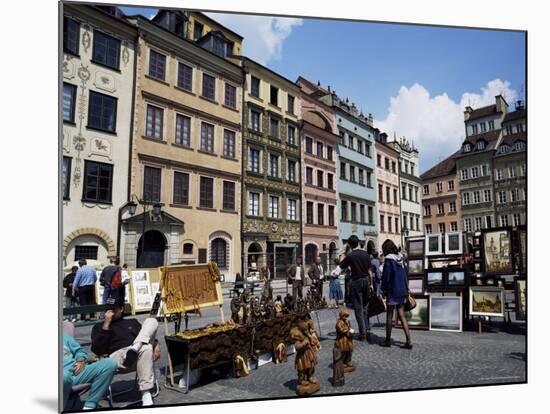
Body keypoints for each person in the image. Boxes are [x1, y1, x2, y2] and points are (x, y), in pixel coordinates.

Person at [91, 298, 161, 406]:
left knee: (151, 321)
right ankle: (146, 394)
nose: (110, 313)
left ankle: (135, 347)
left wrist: (156, 344)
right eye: (107, 310)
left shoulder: (132, 322)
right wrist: (106, 326)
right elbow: (97, 350)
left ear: (121, 309)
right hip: (118, 357)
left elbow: (146, 335)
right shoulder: (99, 327)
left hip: (138, 354)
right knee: (146, 348)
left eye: (113, 310)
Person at [63, 333, 118, 410]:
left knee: (110, 363)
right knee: (64, 377)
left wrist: (81, 360)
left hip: (76, 371)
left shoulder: (64, 337)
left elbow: (80, 351)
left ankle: (89, 406)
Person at [332, 235, 371, 342]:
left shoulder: (351, 255)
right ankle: (367, 329)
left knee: (358, 308)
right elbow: (369, 269)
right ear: (358, 242)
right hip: (366, 281)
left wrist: (334, 273)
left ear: (349, 244)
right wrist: (370, 283)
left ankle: (362, 334)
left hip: (356, 282)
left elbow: (341, 266)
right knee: (365, 307)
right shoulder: (365, 254)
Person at [380, 239, 412, 349]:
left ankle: (388, 340)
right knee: (401, 315)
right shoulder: (400, 259)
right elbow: (405, 274)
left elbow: (386, 277)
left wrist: (383, 290)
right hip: (402, 289)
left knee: (389, 315)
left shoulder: (389, 260)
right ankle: (408, 340)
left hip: (392, 290)